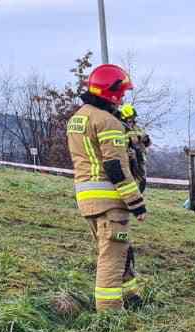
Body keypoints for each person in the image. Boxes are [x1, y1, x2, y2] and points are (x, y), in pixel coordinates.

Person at [66, 64, 146, 312]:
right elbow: (115, 167)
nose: (122, 97)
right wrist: (136, 202)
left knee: (117, 251)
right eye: (120, 92)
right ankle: (110, 312)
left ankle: (132, 297)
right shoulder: (107, 121)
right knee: (112, 257)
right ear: (109, 92)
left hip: (87, 199)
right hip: (110, 201)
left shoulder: (78, 118)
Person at [118, 103, 151, 193]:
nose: (133, 120)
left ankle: (138, 195)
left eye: (133, 118)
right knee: (129, 179)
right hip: (128, 157)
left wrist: (146, 139)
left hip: (139, 157)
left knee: (142, 180)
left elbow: (146, 139)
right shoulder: (120, 127)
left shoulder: (136, 127)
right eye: (131, 118)